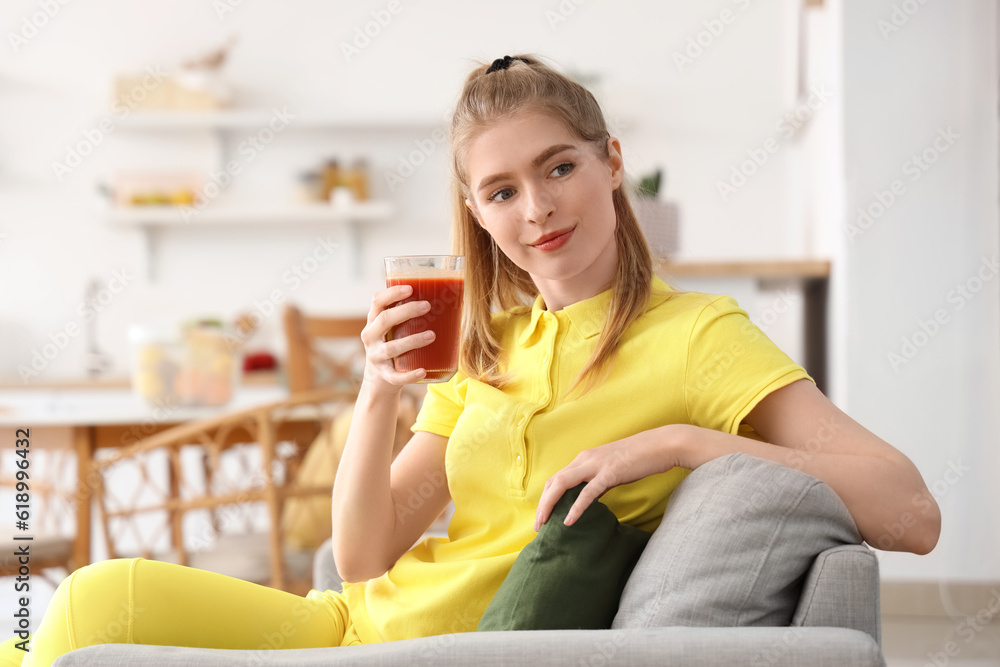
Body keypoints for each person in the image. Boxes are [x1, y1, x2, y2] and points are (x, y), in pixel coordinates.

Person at [0, 54, 941, 667]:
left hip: (441, 651)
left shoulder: (697, 333)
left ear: (611, 162)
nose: (537, 207)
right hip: (350, 626)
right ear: (479, 213)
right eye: (502, 190)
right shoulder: (485, 347)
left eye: (559, 166)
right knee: (88, 599)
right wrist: (378, 395)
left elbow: (909, 508)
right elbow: (363, 556)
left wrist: (690, 442)